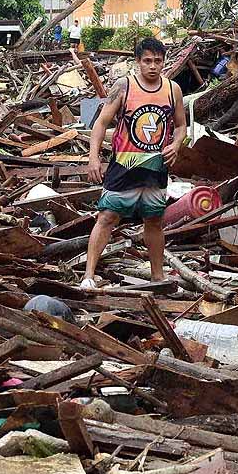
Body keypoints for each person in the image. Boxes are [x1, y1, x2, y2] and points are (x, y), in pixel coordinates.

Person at [83, 37, 186, 289]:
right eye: (147, 61)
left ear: (164, 62)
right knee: (107, 216)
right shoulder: (124, 86)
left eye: (158, 61)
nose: (153, 66)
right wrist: (93, 157)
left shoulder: (173, 90)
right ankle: (88, 275)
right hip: (124, 165)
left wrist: (176, 144)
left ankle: (157, 275)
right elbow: (101, 122)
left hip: (156, 166)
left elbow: (182, 125)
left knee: (154, 220)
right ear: (137, 62)